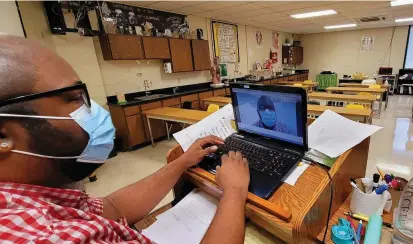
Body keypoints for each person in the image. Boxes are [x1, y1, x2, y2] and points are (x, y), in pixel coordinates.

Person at [0, 35, 249, 243]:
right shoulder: (49, 237)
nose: (94, 111)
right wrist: (235, 190)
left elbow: (111, 208)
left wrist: (182, 162)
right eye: (75, 98)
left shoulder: (36, 198)